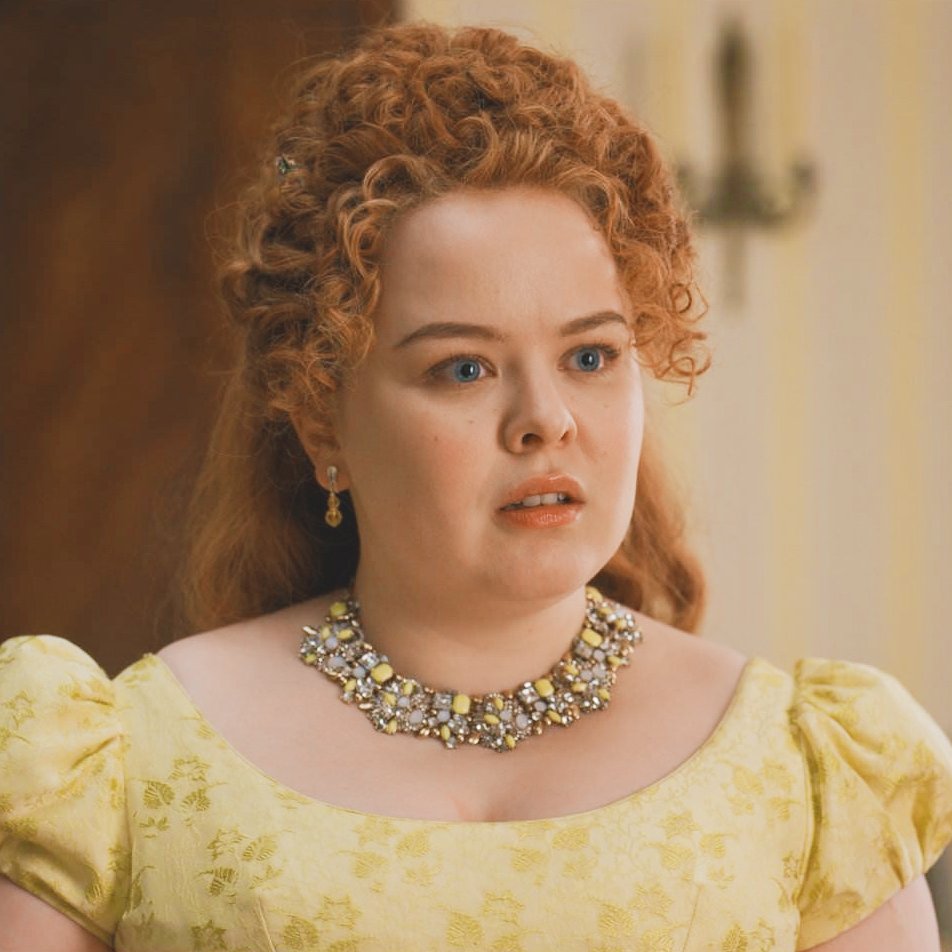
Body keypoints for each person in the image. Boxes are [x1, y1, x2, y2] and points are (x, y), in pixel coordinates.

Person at [1, 21, 950, 952]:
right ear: (322, 420)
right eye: (463, 368)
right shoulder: (128, 764)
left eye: (590, 355)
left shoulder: (804, 770)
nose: (546, 418)